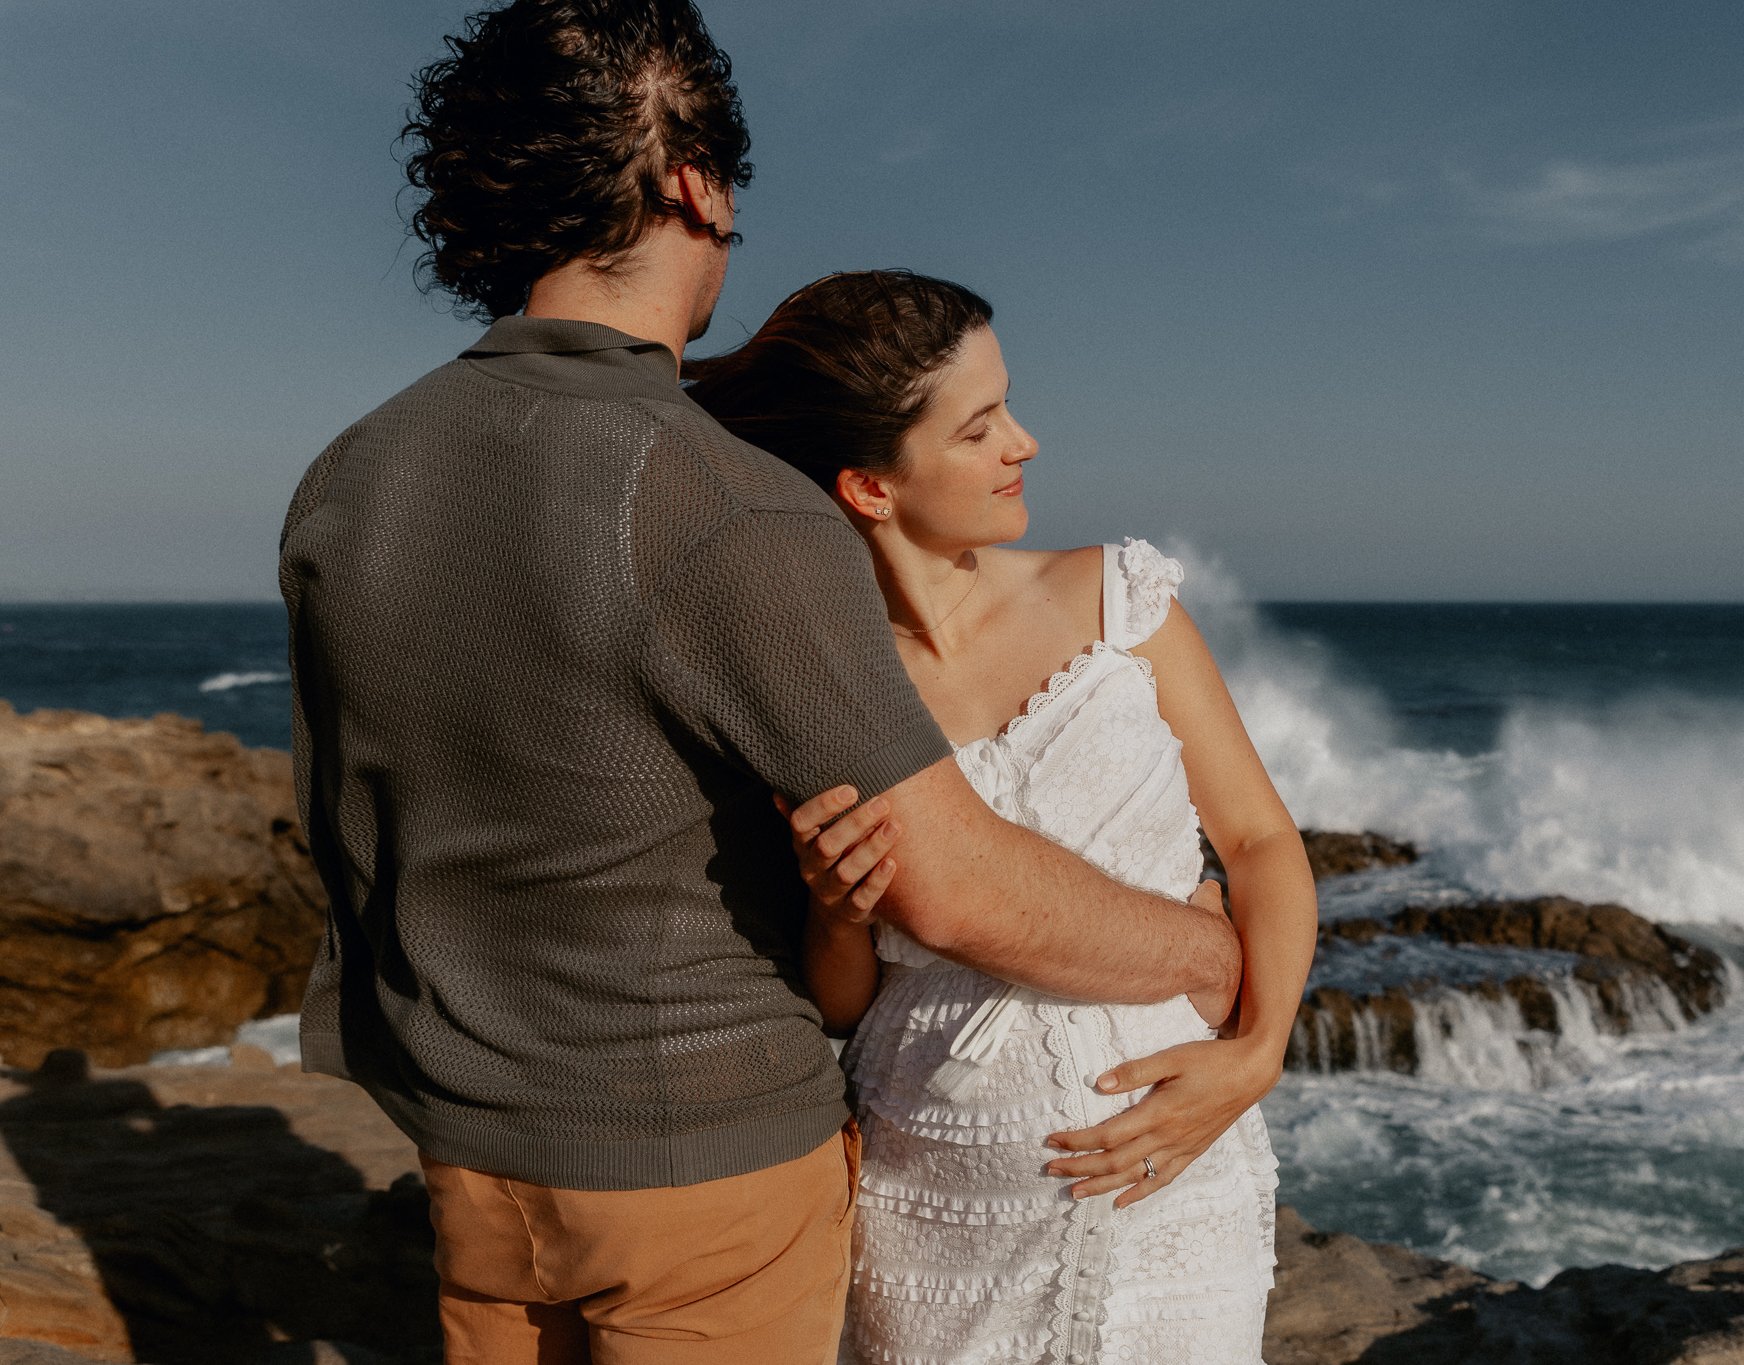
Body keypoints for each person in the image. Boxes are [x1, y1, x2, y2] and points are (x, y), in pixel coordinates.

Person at [277, 5, 1241, 1364]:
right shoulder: (722, 500)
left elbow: (350, 839)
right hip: (707, 1178)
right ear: (693, 183)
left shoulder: (349, 479)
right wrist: (1208, 949)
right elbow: (946, 878)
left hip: (474, 1170)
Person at [685, 271, 1319, 1364]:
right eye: (979, 429)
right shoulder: (823, 690)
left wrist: (1258, 1050)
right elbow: (843, 1001)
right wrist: (836, 919)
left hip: (1175, 1172)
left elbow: (1260, 843)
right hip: (934, 1200)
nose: (1024, 444)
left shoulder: (1117, 601)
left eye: (1008, 406)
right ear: (872, 487)